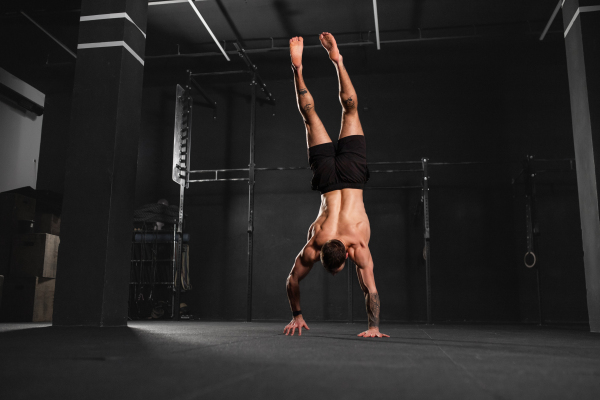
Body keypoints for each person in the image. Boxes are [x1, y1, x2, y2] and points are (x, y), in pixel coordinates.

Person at [283, 33, 389, 338]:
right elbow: (291, 280)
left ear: (345, 255)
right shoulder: (318, 240)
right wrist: (297, 314)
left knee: (350, 110)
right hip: (329, 179)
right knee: (312, 115)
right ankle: (301, 69)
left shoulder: (356, 245)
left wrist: (374, 327)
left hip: (353, 177)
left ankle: (331, 62)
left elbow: (370, 289)